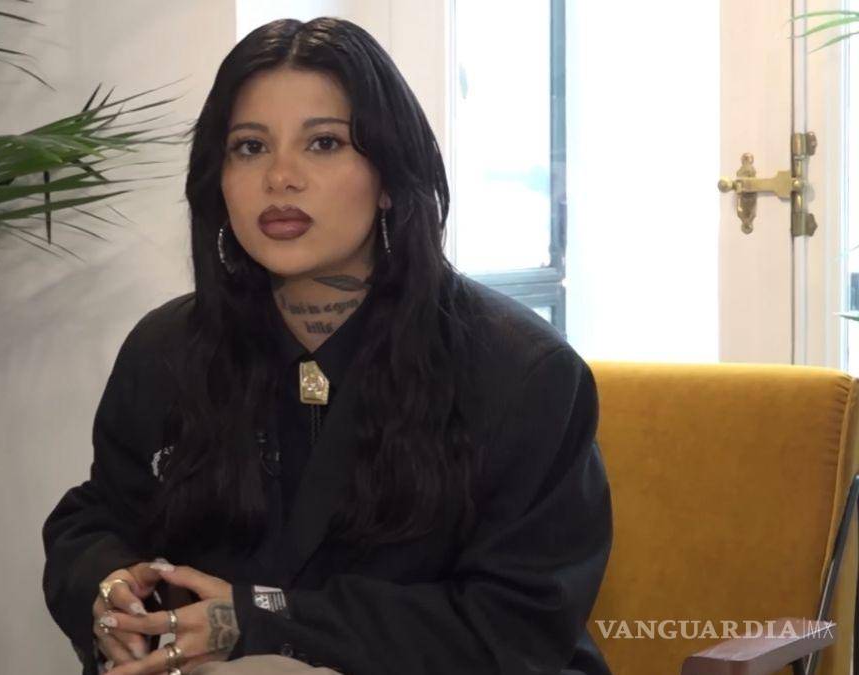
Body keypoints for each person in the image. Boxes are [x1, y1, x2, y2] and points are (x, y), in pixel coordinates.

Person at [42, 16, 613, 675]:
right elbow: (97, 518)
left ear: (390, 176)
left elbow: (513, 624)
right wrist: (110, 591)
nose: (281, 177)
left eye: (324, 143)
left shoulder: (525, 374)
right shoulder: (165, 350)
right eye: (250, 147)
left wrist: (260, 621)